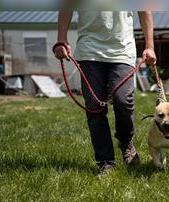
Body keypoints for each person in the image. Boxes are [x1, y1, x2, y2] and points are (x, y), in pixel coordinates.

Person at [53, 11, 156, 176]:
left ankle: (125, 142)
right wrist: (61, 39)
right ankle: (106, 162)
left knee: (123, 100)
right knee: (94, 107)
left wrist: (150, 46)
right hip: (89, 49)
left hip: (122, 49)